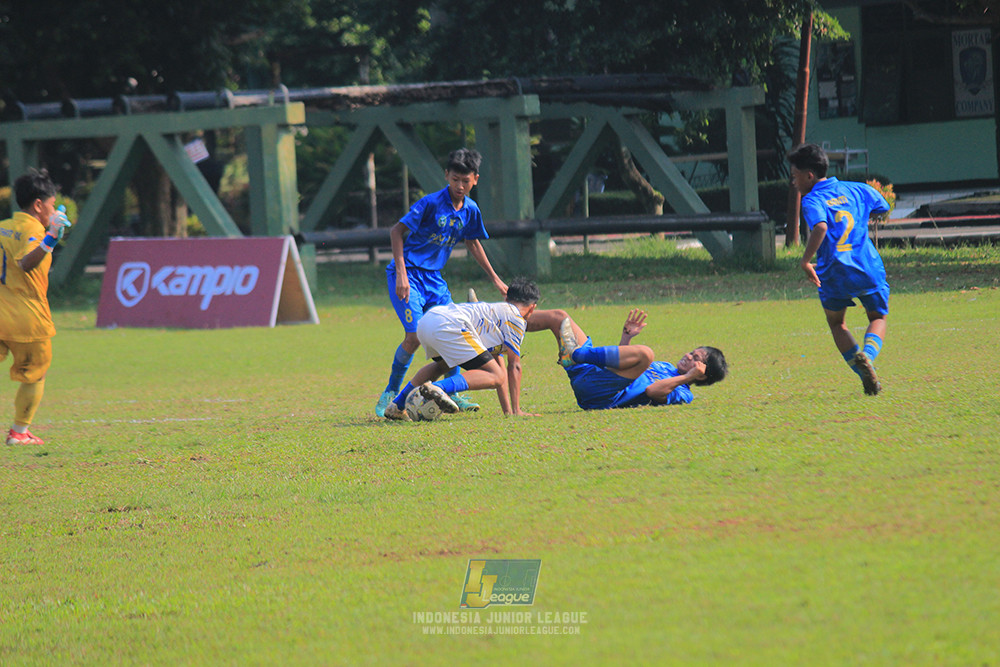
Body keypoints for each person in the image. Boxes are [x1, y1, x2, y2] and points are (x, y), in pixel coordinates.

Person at [375, 148, 508, 417]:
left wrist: (495, 279)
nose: (459, 185)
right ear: (446, 175)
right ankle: (390, 393)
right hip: (408, 275)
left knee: (453, 333)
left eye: (465, 180)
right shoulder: (430, 203)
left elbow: (472, 242)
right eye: (455, 179)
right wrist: (401, 272)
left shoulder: (470, 210)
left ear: (475, 180)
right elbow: (396, 232)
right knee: (413, 337)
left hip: (434, 280)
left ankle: (454, 394)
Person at [788, 142, 891, 395]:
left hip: (834, 271)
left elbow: (821, 227)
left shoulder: (812, 199)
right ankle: (867, 355)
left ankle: (863, 371)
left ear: (809, 175)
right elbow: (883, 207)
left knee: (837, 324)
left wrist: (804, 261)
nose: (793, 182)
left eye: (795, 176)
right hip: (867, 267)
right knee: (877, 317)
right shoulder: (857, 189)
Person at [383, 278, 540, 421]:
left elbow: (497, 363)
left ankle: (397, 405)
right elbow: (514, 366)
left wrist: (509, 412)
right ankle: (437, 388)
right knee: (496, 375)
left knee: (443, 365)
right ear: (532, 308)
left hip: (428, 321)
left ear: (507, 298)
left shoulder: (495, 312)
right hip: (450, 325)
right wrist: (517, 410)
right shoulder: (516, 318)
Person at [526, 308, 727, 410]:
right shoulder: (665, 367)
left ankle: (577, 355)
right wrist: (626, 338)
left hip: (601, 395)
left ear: (701, 373)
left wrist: (688, 377)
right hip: (595, 374)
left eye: (695, 358)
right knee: (559, 317)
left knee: (646, 354)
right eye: (691, 352)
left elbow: (652, 391)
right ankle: (505, 323)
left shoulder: (683, 392)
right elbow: (619, 368)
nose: (687, 355)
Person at [0, 168, 72, 445]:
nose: (53, 211)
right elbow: (25, 262)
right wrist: (51, 237)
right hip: (26, 318)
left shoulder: (4, 226)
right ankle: (19, 432)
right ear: (38, 204)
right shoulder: (34, 229)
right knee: (36, 374)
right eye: (52, 206)